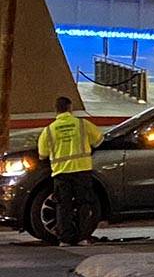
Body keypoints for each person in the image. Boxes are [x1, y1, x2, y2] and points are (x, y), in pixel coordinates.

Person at [36, 96, 103, 246]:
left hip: (61, 173)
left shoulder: (49, 130)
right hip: (82, 170)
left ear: (56, 110)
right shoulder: (82, 124)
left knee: (62, 206)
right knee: (84, 204)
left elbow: (42, 154)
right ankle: (82, 237)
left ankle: (65, 239)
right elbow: (99, 140)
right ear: (70, 108)